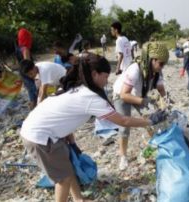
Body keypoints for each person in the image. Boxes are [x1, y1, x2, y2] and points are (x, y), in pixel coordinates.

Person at [20, 53, 166, 202]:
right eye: (105, 76)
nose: (107, 81)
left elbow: (63, 113)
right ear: (95, 74)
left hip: (45, 130)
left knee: (68, 168)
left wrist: (70, 137)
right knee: (62, 180)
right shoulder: (90, 97)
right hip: (40, 137)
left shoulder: (77, 86)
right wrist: (150, 121)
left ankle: (78, 199)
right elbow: (123, 121)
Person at [112, 42, 169, 170]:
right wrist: (144, 101)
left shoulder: (157, 72)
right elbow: (124, 95)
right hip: (121, 95)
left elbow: (161, 88)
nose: (162, 67)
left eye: (164, 64)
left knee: (154, 120)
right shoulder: (135, 69)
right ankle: (123, 156)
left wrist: (166, 100)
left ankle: (159, 146)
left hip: (138, 95)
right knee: (125, 127)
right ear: (153, 60)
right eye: (161, 63)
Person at [16, 28, 37, 110]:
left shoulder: (19, 48)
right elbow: (28, 65)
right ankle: (35, 112)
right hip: (28, 75)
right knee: (35, 94)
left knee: (31, 95)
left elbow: (20, 64)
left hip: (23, 74)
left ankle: (32, 112)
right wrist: (34, 76)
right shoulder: (25, 49)